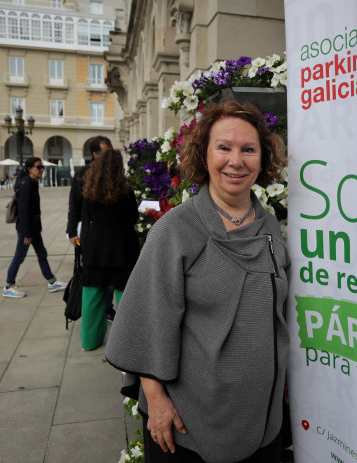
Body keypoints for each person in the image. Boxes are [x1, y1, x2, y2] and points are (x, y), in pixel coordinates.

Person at [105, 101, 289, 463]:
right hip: (188, 422)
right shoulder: (174, 231)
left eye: (248, 149)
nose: (236, 161)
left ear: (263, 159)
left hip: (260, 418)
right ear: (203, 154)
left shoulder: (268, 226)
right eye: (224, 147)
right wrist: (156, 402)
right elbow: (145, 325)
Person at [79, 149, 139, 351]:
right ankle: (127, 345)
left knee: (92, 300)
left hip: (95, 250)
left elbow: (86, 220)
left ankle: (89, 341)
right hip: (123, 249)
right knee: (126, 301)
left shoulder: (89, 191)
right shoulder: (126, 191)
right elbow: (134, 218)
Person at [3, 157, 66, 298]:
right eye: (39, 167)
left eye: (42, 167)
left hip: (33, 228)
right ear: (30, 169)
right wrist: (27, 233)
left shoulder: (31, 183)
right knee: (19, 256)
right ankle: (8, 285)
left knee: (42, 253)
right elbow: (24, 211)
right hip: (27, 229)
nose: (42, 169)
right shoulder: (26, 185)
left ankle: (51, 281)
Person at [66, 136, 115, 315]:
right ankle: (92, 309)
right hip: (88, 232)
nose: (110, 156)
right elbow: (74, 204)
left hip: (110, 234)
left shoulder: (115, 173)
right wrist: (72, 231)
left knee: (110, 270)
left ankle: (107, 308)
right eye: (106, 152)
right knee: (92, 272)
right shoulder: (82, 174)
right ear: (95, 154)